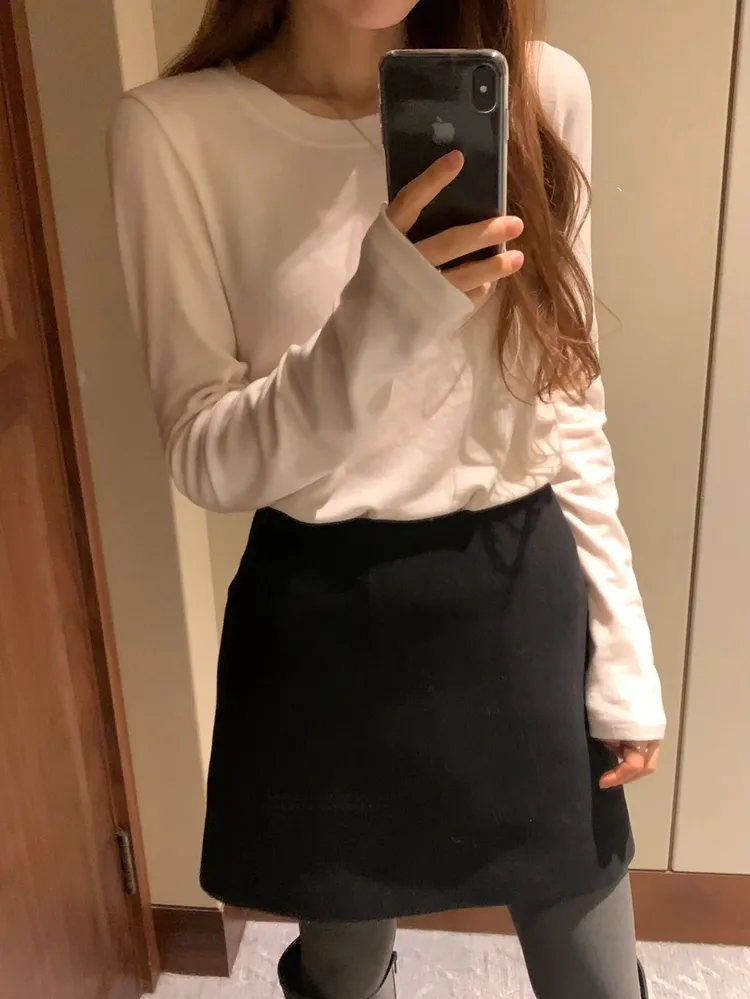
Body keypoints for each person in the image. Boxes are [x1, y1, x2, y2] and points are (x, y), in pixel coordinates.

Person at [110, 1, 667, 997]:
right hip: (326, 616)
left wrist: (621, 650)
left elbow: (565, 398)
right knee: (343, 973)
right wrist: (380, 316)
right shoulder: (174, 132)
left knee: (596, 973)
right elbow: (207, 459)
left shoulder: (539, 92)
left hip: (520, 591)